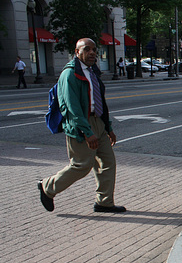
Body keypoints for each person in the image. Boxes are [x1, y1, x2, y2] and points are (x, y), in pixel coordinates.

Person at [38, 38, 126, 213]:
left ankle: (104, 202)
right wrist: (87, 132)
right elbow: (71, 107)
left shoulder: (92, 72)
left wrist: (108, 128)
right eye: (87, 49)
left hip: (98, 122)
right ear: (77, 52)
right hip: (80, 125)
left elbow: (99, 102)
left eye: (94, 49)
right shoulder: (70, 74)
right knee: (82, 164)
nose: (92, 53)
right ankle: (47, 187)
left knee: (108, 162)